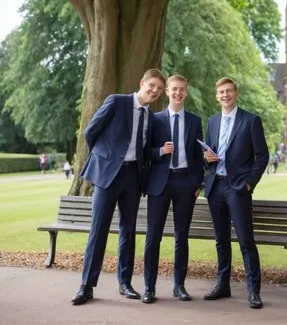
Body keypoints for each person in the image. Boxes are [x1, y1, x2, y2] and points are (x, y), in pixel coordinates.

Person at [71, 69, 166, 305]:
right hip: (107, 176)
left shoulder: (150, 117)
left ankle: (125, 283)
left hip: (133, 177)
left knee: (128, 230)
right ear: (142, 82)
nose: (154, 91)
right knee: (99, 229)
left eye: (159, 89)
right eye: (151, 85)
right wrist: (106, 158)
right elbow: (90, 132)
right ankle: (86, 286)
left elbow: (145, 150)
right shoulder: (116, 101)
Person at [203, 77, 269, 309]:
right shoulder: (212, 121)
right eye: (221, 92)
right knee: (221, 241)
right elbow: (208, 152)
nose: (225, 95)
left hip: (238, 188)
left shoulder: (251, 121)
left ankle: (253, 291)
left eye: (228, 91)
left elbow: (262, 156)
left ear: (236, 93)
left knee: (246, 241)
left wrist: (249, 183)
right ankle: (223, 285)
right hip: (215, 186)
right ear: (217, 95)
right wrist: (207, 158)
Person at [141, 74, 204, 304]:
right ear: (167, 91)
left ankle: (179, 286)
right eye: (174, 89)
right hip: (160, 183)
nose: (178, 93)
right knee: (153, 237)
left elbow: (199, 156)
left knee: (181, 237)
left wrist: (198, 183)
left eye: (181, 90)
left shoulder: (195, 121)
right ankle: (149, 287)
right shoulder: (154, 119)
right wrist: (160, 151)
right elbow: (144, 152)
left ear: (186, 93)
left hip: (185, 184)